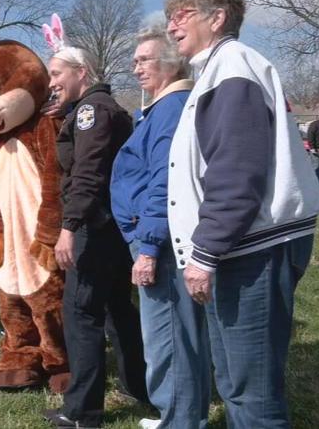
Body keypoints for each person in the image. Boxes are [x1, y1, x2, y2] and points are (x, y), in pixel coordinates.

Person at [165, 0, 319, 428]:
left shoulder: (233, 68)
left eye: (184, 13)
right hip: (240, 247)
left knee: (250, 390)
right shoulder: (219, 69)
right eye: (170, 15)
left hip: (249, 250)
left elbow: (235, 172)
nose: (172, 24)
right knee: (235, 380)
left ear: (218, 18)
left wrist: (206, 253)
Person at [42, 35, 148, 427]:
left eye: (56, 73)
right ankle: (138, 386)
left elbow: (88, 172)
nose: (51, 81)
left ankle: (82, 411)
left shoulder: (92, 112)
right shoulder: (100, 108)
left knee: (81, 314)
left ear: (80, 72)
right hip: (110, 228)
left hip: (93, 228)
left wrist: (70, 227)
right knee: (117, 309)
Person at [111, 24, 210, 429]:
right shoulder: (162, 105)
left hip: (160, 242)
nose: (136, 69)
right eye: (134, 61)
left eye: (144, 60)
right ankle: (181, 415)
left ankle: (180, 421)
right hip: (154, 236)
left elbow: (164, 182)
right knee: (178, 336)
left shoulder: (171, 108)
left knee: (168, 338)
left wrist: (148, 246)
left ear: (171, 62)